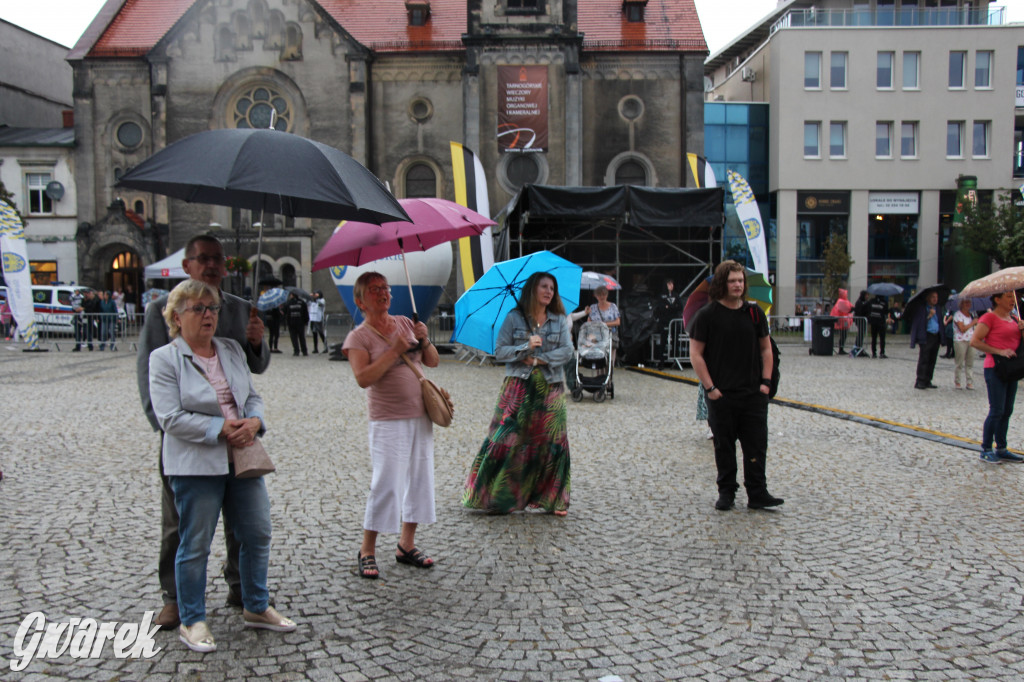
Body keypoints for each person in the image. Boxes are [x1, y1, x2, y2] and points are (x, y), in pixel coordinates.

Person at [149, 279, 295, 652]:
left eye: (211, 308)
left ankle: (256, 606)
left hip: (243, 456)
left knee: (257, 532)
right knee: (195, 543)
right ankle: (192, 618)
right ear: (177, 318)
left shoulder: (230, 349)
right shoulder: (164, 359)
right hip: (195, 464)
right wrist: (219, 428)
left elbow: (253, 395)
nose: (207, 315)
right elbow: (170, 417)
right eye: (197, 308)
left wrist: (255, 421)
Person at [137, 234, 269, 630]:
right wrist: (166, 430)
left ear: (226, 266)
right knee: (180, 523)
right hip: (186, 439)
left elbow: (253, 371)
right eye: (202, 259)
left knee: (243, 522)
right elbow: (150, 376)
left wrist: (257, 343)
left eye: (217, 259)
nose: (211, 265)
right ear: (187, 265)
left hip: (236, 441)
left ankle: (240, 587)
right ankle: (175, 598)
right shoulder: (164, 309)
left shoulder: (241, 308)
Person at [342, 272, 440, 579]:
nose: (383, 293)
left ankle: (406, 544)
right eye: (374, 290)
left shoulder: (405, 323)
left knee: (420, 478)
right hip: (388, 419)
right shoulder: (359, 337)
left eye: (385, 288)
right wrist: (394, 352)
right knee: (386, 482)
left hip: (420, 413)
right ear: (360, 301)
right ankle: (367, 549)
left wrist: (424, 339)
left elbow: (433, 361)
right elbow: (363, 378)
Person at [462, 271, 574, 516]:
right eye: (544, 286)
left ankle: (553, 500)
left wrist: (539, 359)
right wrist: (526, 346)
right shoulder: (514, 318)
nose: (549, 292)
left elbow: (567, 351)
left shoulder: (558, 320)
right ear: (532, 289)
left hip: (550, 387)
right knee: (509, 437)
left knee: (552, 441)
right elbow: (500, 351)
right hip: (518, 387)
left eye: (552, 289)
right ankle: (500, 496)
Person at [690, 260, 783, 511]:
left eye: (740, 280)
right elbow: (696, 354)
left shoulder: (754, 313)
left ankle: (757, 491)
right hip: (722, 394)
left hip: (753, 393)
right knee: (724, 446)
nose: (738, 285)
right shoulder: (707, 315)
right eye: (732, 281)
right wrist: (711, 388)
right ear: (723, 283)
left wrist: (765, 383)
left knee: (756, 445)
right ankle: (727, 491)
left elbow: (766, 349)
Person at [970, 290, 1024, 464]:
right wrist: (999, 351)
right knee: (997, 410)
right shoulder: (989, 318)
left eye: (1013, 297)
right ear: (997, 299)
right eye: (1008, 296)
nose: (1012, 300)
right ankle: (986, 448)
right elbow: (975, 341)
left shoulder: (1015, 319)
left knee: (1007, 410)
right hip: (995, 368)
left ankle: (1001, 447)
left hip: (1011, 369)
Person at [910, 290, 941, 390]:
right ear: (928, 299)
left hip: (935, 335)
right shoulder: (923, 309)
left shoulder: (938, 308)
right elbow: (920, 323)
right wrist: (929, 315)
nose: (935, 299)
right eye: (933, 297)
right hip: (926, 335)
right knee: (924, 358)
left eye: (936, 297)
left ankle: (928, 380)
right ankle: (920, 380)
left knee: (932, 359)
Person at [587, 285, 621, 367]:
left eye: (604, 294)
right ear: (595, 296)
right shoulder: (593, 307)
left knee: (610, 362)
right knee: (600, 360)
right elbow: (589, 322)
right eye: (599, 295)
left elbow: (618, 322)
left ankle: (610, 376)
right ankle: (600, 378)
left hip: (610, 336)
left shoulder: (613, 306)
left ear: (607, 295)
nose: (602, 297)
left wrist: (604, 324)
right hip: (598, 337)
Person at [952, 298, 977, 390]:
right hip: (960, 340)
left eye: (969, 302)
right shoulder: (957, 315)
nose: (968, 304)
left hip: (971, 340)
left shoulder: (971, 314)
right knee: (960, 362)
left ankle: (969, 382)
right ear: (961, 304)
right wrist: (973, 323)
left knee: (970, 362)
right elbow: (962, 329)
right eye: (966, 302)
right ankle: (957, 381)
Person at [830, 289, 853, 355]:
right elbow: (847, 309)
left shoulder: (843, 301)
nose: (847, 295)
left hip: (843, 322)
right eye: (846, 294)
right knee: (843, 335)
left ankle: (841, 348)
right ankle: (841, 349)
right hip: (842, 322)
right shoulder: (841, 301)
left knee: (843, 335)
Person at [866, 294, 889, 358]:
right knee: (882, 338)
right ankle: (882, 353)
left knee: (874, 338)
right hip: (881, 322)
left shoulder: (871, 301)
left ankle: (874, 353)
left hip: (873, 322)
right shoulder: (884, 302)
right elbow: (886, 311)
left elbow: (868, 309)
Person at [852, 290, 870, 355]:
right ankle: (857, 347)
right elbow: (859, 311)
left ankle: (859, 347)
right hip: (860, 320)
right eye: (866, 295)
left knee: (861, 334)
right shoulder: (859, 302)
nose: (867, 296)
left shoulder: (865, 302)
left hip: (863, 320)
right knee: (860, 334)